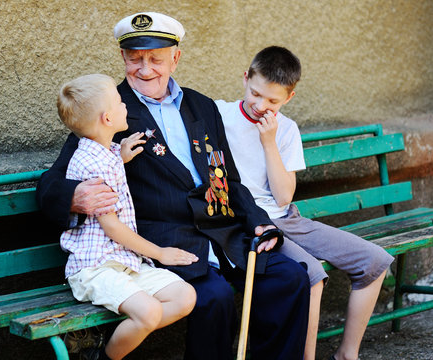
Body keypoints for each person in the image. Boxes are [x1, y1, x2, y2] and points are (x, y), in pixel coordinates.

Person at [37, 13, 310, 360]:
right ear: (123, 57)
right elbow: (51, 183)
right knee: (215, 297)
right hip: (164, 242)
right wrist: (75, 196)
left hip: (224, 234)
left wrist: (257, 220)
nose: (145, 68)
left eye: (156, 58)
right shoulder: (108, 111)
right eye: (135, 58)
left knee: (290, 281)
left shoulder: (201, 105)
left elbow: (229, 178)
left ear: (175, 58)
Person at [215, 45, 394, 360]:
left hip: (287, 218)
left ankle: (347, 354)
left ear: (289, 98)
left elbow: (284, 197)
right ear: (245, 78)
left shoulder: (286, 131)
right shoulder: (220, 115)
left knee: (375, 261)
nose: (260, 105)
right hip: (251, 224)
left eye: (272, 101)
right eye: (255, 93)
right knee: (312, 274)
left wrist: (269, 142)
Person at [55, 73, 198, 360]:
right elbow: (112, 228)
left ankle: (114, 334)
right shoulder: (94, 164)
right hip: (95, 268)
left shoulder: (105, 152)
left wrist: (120, 157)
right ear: (108, 119)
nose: (126, 107)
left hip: (124, 263)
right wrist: (161, 253)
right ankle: (105, 356)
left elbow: (107, 163)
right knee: (150, 312)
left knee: (185, 298)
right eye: (121, 103)